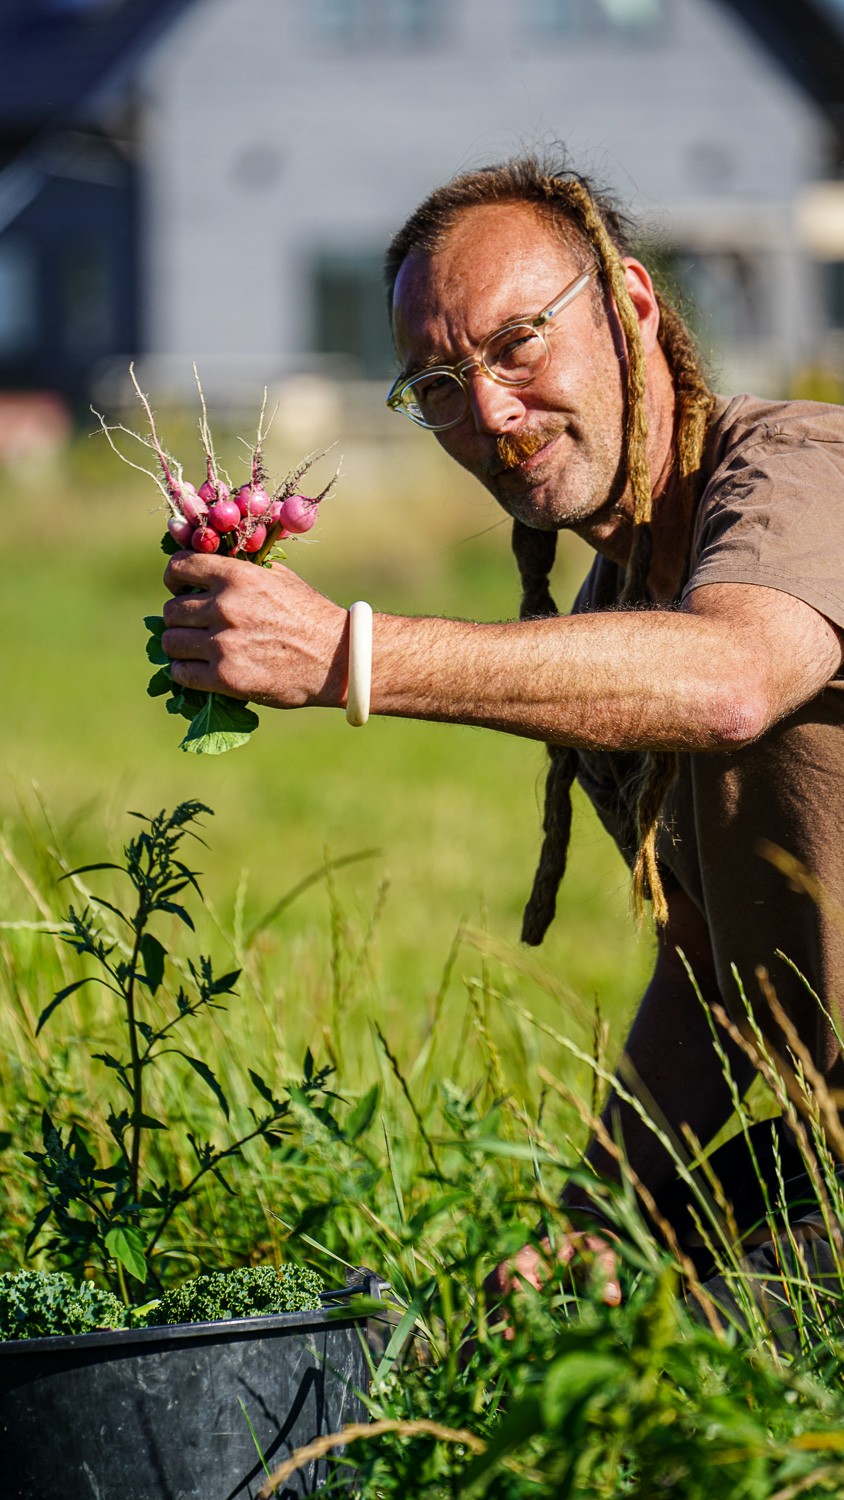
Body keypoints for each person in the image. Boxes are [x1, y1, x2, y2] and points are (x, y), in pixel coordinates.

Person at [162, 153, 844, 1304]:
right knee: (516, 1335)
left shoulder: (803, 475)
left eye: (517, 342)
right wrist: (601, 1215)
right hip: (820, 1143)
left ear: (629, 304)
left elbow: (732, 677)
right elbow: (706, 961)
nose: (488, 413)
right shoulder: (615, 615)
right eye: (436, 384)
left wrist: (349, 655)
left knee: (673, 1376)